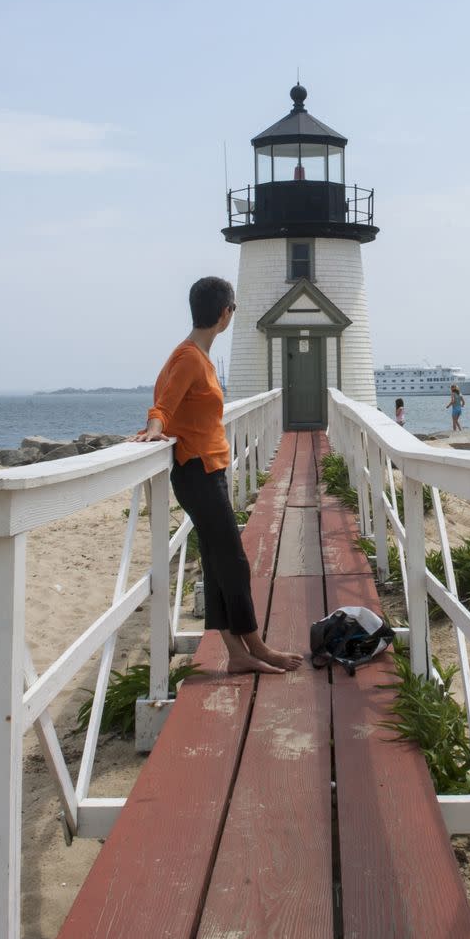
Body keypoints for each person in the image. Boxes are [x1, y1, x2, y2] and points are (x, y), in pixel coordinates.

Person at [132, 276, 301, 676]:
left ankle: (236, 652)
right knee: (235, 561)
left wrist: (160, 423)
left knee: (216, 560)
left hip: (209, 470)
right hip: (198, 473)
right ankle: (255, 644)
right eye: (233, 308)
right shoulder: (190, 357)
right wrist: (154, 429)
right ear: (224, 314)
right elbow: (164, 406)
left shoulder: (195, 355)